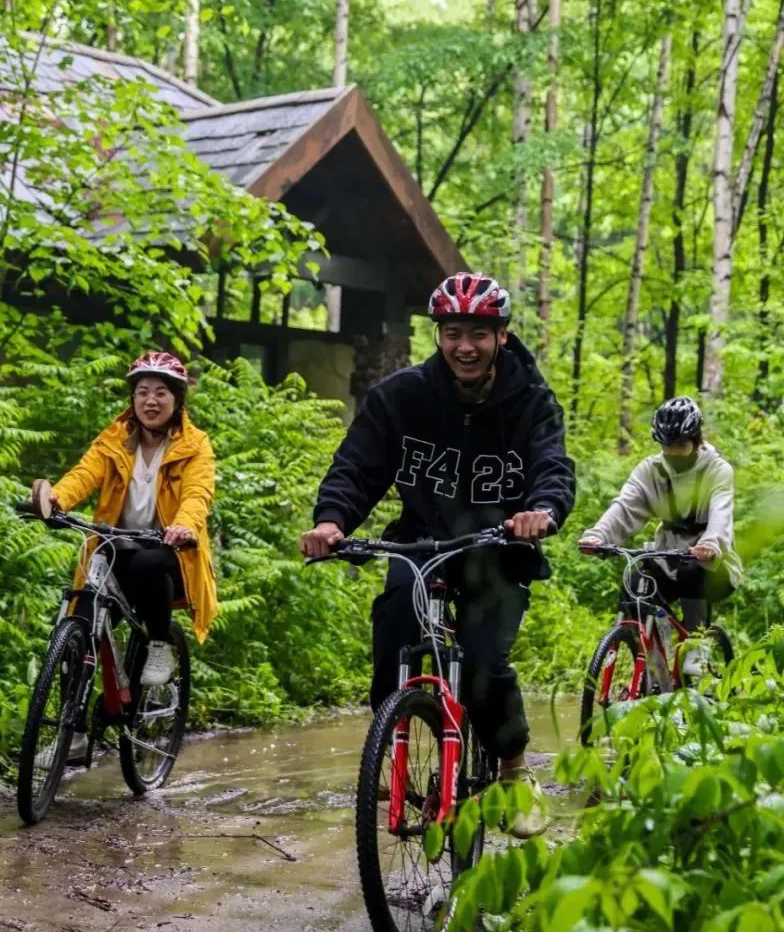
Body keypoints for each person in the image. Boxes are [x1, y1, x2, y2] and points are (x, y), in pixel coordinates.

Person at [300, 272, 576, 837]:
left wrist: (540, 511)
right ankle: (393, 741)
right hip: (423, 541)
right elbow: (357, 466)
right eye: (452, 332)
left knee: (483, 665)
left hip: (497, 547)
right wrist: (332, 521)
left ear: (501, 335)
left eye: (478, 333)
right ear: (438, 335)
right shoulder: (401, 396)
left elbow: (552, 465)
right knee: (395, 624)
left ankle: (512, 768)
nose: (464, 347)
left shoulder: (530, 400)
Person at [34, 352, 217, 686]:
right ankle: (70, 730)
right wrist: (56, 498)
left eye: (161, 393)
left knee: (148, 563)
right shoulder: (114, 439)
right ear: (132, 398)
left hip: (167, 554)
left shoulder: (195, 445)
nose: (151, 400)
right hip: (113, 550)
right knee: (80, 627)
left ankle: (159, 644)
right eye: (143, 391)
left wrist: (185, 525)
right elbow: (85, 473)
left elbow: (197, 493)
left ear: (177, 400)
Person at [578, 396, 741, 672]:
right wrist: (599, 535)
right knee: (635, 580)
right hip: (666, 556)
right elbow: (625, 506)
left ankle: (696, 650)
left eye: (680, 445)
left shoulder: (718, 470)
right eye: (667, 446)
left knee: (692, 570)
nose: (674, 453)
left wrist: (710, 543)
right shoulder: (650, 470)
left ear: (697, 439)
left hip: (715, 564)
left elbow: (721, 514)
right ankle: (653, 659)